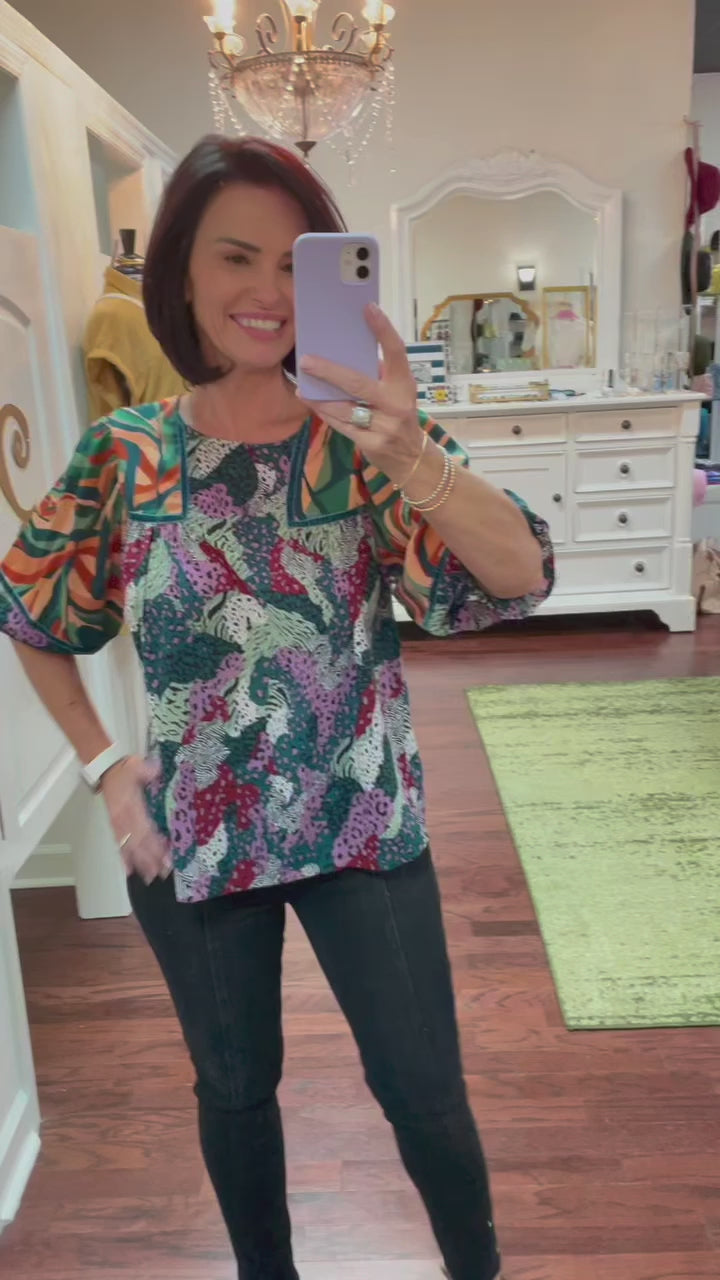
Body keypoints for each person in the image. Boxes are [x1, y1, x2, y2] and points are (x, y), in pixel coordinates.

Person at [0, 136, 553, 1280]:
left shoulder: (363, 440)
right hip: (197, 834)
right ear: (183, 273)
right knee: (235, 1089)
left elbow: (520, 574)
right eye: (235, 256)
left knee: (423, 1086)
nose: (266, 291)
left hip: (363, 817)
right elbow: (31, 611)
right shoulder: (127, 456)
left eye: (295, 263)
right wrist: (104, 766)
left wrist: (412, 451)